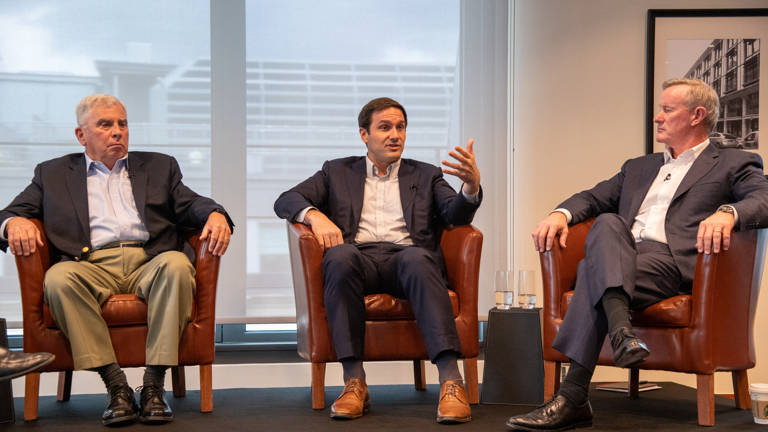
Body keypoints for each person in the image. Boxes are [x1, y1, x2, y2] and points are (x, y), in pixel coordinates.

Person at [505, 78, 768, 431]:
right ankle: (621, 335)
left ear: (697, 115)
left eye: (667, 110)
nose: (657, 117)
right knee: (609, 223)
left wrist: (728, 213)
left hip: (671, 263)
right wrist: (559, 214)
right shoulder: (639, 167)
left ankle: (573, 397)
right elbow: (593, 198)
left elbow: (763, 199)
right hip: (624, 255)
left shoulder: (733, 163)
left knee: (590, 271)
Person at [0, 94, 233, 426]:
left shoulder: (159, 166)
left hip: (149, 259)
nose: (117, 132)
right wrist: (15, 222)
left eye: (122, 124)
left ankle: (153, 385)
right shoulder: (52, 174)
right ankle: (116, 386)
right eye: (105, 124)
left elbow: (190, 203)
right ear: (82, 135)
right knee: (58, 279)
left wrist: (215, 213)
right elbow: (9, 212)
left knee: (179, 266)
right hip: (90, 265)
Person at [274, 97, 482, 424]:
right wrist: (315, 216)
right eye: (384, 127)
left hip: (407, 261)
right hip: (360, 259)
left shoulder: (426, 174)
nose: (394, 135)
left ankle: (451, 381)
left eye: (400, 127)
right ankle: (354, 382)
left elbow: (455, 215)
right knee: (339, 256)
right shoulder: (336, 171)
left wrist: (470, 186)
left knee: (419, 258)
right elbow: (286, 199)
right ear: (363, 134)